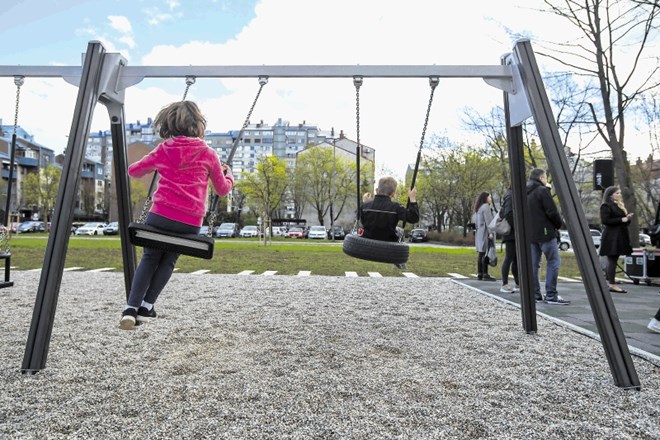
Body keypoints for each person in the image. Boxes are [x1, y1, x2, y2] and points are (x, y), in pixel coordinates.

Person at [119, 100, 234, 330]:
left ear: (170, 124)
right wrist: (228, 175)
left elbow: (134, 171)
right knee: (168, 261)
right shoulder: (208, 153)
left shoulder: (164, 149)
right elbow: (222, 190)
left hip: (160, 215)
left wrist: (158, 164)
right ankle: (147, 306)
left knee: (149, 259)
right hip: (189, 222)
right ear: (198, 125)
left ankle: (131, 309)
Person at [526, 168, 569, 304]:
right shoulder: (542, 191)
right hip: (545, 232)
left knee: (534, 264)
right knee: (553, 261)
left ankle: (535, 294)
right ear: (542, 178)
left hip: (531, 233)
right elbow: (552, 211)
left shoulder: (525, 192)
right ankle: (551, 295)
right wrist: (559, 225)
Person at [361, 176, 419, 269]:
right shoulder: (396, 207)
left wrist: (365, 203)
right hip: (389, 239)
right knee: (399, 230)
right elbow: (414, 218)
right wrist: (412, 199)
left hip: (368, 237)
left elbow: (361, 219)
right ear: (393, 194)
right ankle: (399, 261)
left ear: (377, 190)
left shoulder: (366, 206)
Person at [598, 186, 633, 293]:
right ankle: (612, 284)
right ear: (611, 195)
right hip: (612, 236)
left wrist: (627, 219)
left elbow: (624, 222)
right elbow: (606, 220)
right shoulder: (606, 205)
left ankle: (611, 281)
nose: (620, 195)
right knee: (612, 259)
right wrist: (622, 219)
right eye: (617, 193)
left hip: (620, 235)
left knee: (613, 259)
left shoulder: (619, 205)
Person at [499, 187, 519, 293]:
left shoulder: (511, 195)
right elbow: (509, 214)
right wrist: (518, 227)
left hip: (513, 233)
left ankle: (518, 283)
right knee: (509, 258)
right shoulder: (511, 196)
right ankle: (504, 284)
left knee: (515, 259)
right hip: (511, 233)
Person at [474, 191, 496, 281]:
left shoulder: (479, 208)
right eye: (490, 197)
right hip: (485, 233)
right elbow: (489, 221)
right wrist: (491, 233)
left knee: (481, 253)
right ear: (485, 198)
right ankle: (485, 274)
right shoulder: (486, 207)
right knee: (486, 253)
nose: (491, 199)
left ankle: (480, 273)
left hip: (479, 232)